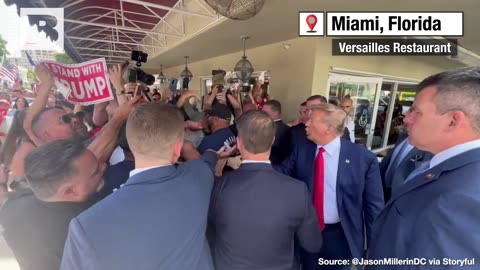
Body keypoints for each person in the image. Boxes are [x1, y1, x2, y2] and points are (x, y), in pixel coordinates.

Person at [60, 103, 233, 270]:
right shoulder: (198, 177)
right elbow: (208, 160)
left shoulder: (85, 226)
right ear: (177, 148)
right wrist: (213, 154)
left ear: (131, 146)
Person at [368, 67, 480, 269]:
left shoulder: (459, 198)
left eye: (416, 111)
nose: (406, 118)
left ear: (453, 120)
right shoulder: (450, 167)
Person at [209, 110, 322, 270]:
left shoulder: (220, 185)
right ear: (272, 141)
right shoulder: (297, 190)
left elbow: (211, 232)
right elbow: (312, 244)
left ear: (239, 143)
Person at [276, 104, 384, 270]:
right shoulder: (302, 148)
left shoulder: (362, 159)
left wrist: (374, 248)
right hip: (307, 233)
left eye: (312, 120)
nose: (306, 124)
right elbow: (280, 173)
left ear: (329, 128)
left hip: (342, 236)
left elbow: (373, 206)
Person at [0, 139, 104, 270]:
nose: (104, 167)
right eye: (95, 172)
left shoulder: (13, 207)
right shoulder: (88, 227)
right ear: (69, 191)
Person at [379, 132, 432, 202]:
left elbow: (421, 169)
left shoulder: (427, 144)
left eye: (414, 120)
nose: (405, 120)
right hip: (383, 185)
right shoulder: (403, 136)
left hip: (400, 193)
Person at [262, 99, 291, 165]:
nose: (263, 115)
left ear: (276, 113)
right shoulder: (287, 128)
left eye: (266, 113)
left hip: (271, 165)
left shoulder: (270, 130)